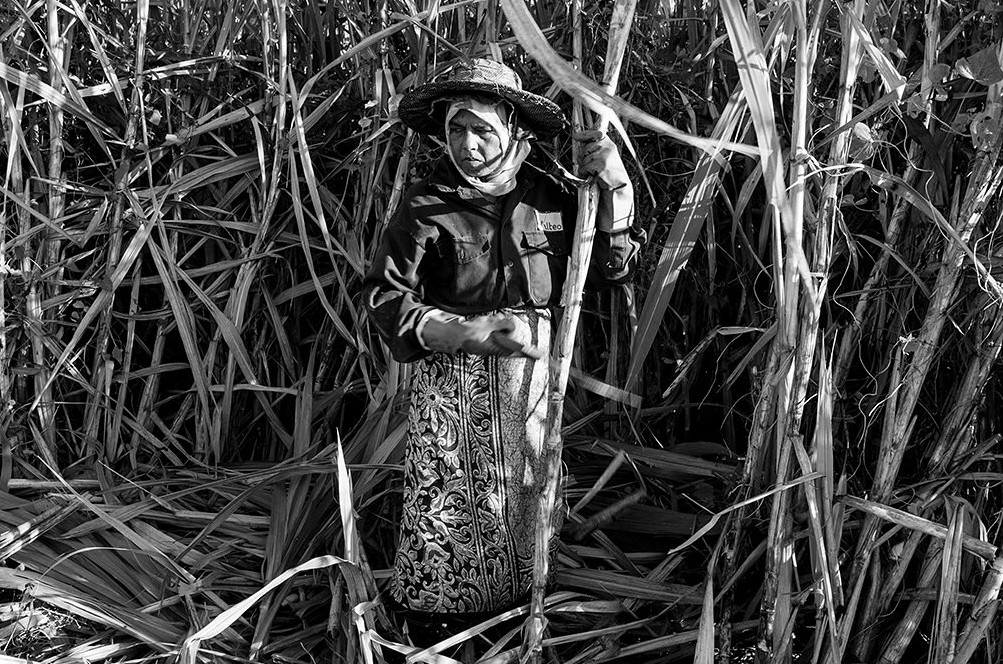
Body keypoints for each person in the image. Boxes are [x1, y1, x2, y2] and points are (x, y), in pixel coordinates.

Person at [363, 57, 642, 642]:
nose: (468, 144)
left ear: (513, 128)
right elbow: (383, 298)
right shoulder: (424, 205)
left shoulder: (553, 196)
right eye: (457, 128)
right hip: (451, 389)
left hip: (532, 385)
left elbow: (611, 268)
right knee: (448, 507)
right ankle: (437, 620)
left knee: (525, 496)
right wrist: (457, 331)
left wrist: (613, 184)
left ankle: (522, 608)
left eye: (482, 129)